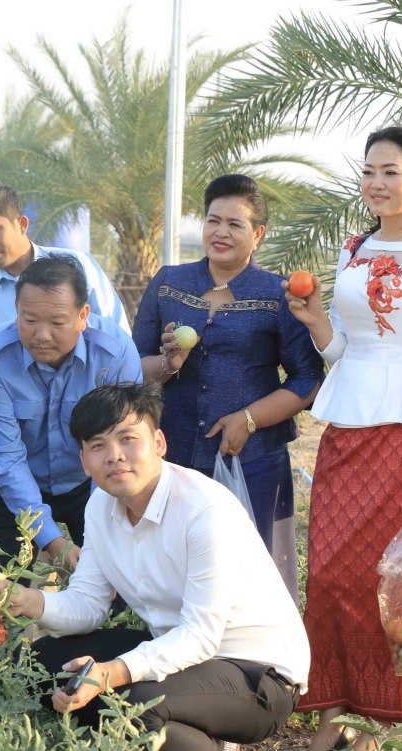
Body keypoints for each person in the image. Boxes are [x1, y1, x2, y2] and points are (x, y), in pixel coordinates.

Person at [0, 383, 309, 751]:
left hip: (259, 678)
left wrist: (110, 673)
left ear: (158, 443)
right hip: (184, 661)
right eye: (98, 446)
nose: (115, 456)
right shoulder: (101, 506)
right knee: (42, 662)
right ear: (84, 460)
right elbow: (88, 604)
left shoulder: (204, 509)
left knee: (134, 698)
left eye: (128, 439)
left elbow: (200, 636)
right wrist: (28, 601)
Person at [286, 126, 402, 751]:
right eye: (369, 171)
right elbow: (346, 349)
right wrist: (318, 323)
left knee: (388, 577)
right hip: (348, 427)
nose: (377, 182)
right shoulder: (353, 249)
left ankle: (374, 719)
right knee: (330, 572)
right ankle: (333, 706)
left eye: (390, 171)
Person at [134, 174, 323, 597]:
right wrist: (168, 364)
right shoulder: (169, 283)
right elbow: (132, 365)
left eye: (235, 224)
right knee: (172, 572)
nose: (221, 232)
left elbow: (308, 379)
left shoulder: (278, 295)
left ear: (258, 234)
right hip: (170, 454)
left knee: (248, 578)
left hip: (251, 460)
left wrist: (248, 419)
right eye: (213, 220)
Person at [0, 256, 142, 592]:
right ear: (17, 310)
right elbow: (6, 459)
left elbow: (118, 447)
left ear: (83, 316)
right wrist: (53, 542)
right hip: (13, 480)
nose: (42, 335)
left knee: (120, 589)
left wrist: (97, 539)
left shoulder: (115, 353)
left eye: (58, 323)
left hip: (93, 479)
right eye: (29, 320)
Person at [0, 183, 130, 492]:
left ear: (22, 224)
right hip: (21, 450)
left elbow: (117, 342)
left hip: (89, 442)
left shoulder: (78, 268)